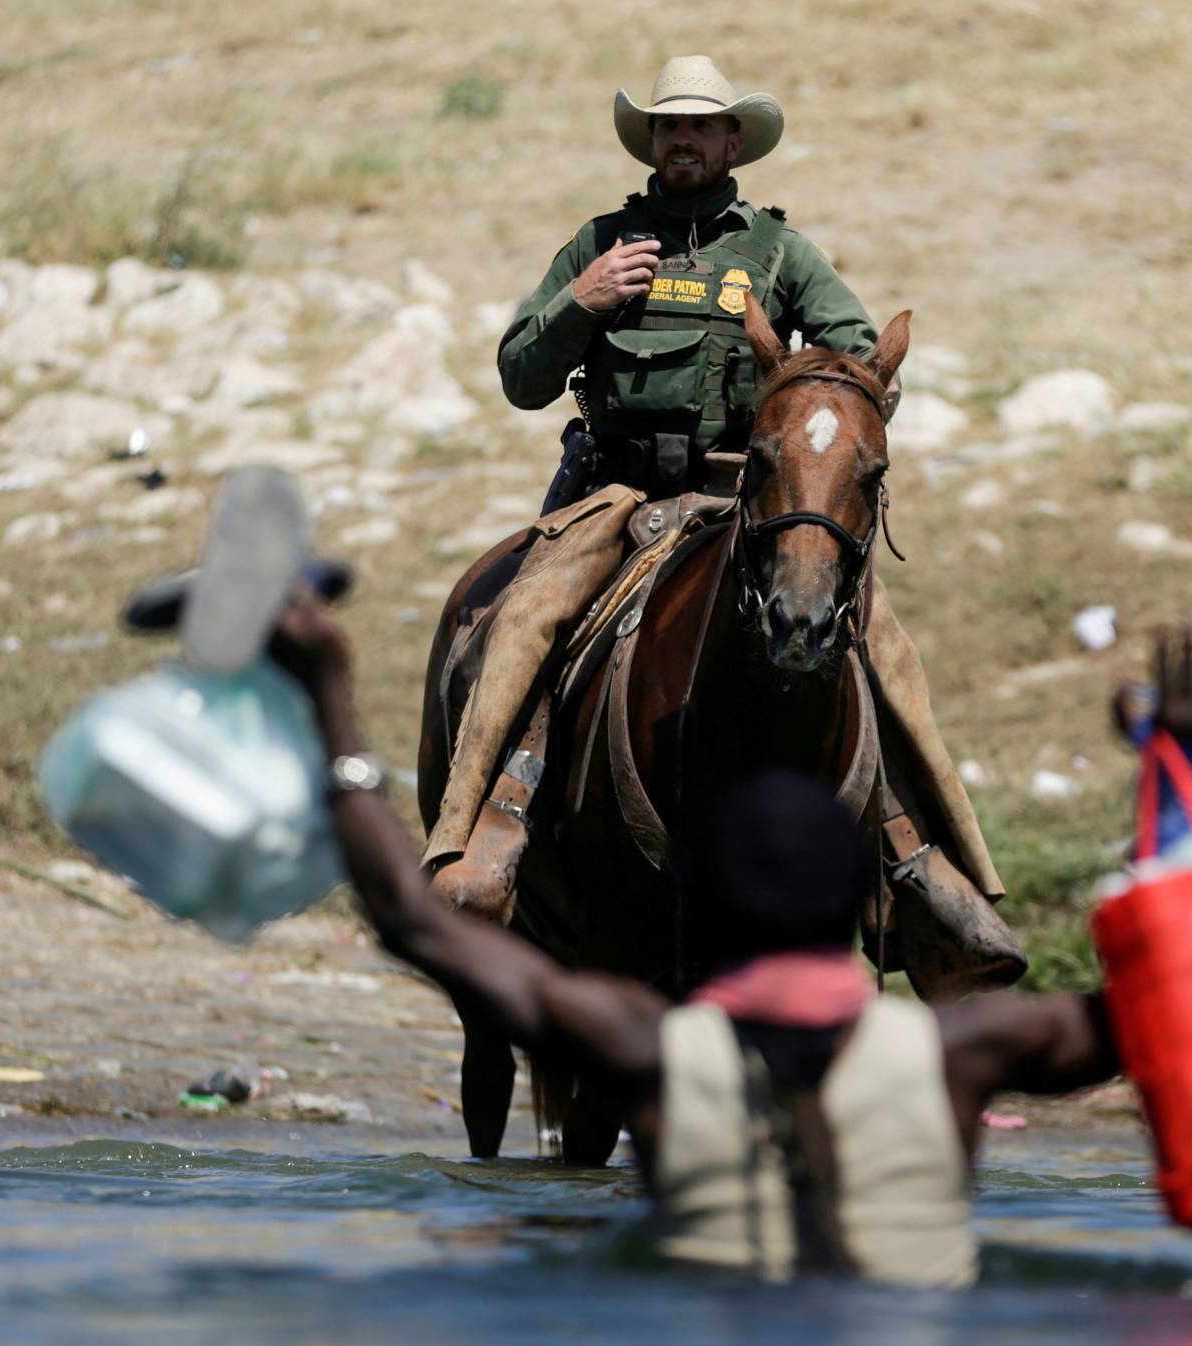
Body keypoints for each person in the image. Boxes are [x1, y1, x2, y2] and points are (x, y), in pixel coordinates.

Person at [269, 581, 1192, 1286]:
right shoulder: (966, 1047)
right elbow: (1176, 998)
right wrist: (1183, 778)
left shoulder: (642, 1046)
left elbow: (409, 920)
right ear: (847, 906)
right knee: (535, 604)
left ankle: (482, 821)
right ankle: (920, 856)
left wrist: (324, 691)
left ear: (718, 905)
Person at [430, 57, 1009, 990]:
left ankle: (925, 863)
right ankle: (481, 829)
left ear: (733, 143)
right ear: (652, 143)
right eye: (669, 127)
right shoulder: (601, 241)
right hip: (616, 498)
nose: (684, 140)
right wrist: (583, 303)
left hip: (741, 499)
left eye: (701, 127)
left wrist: (830, 383)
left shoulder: (782, 254)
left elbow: (856, 364)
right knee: (530, 614)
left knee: (878, 641)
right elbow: (519, 378)